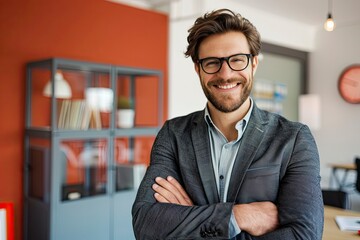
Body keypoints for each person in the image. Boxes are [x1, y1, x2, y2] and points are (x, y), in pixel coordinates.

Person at [132, 8, 323, 239]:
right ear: (198, 68)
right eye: (212, 62)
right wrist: (239, 216)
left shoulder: (294, 139)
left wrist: (192, 217)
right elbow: (146, 224)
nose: (225, 74)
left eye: (237, 60)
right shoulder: (173, 134)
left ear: (253, 64)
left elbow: (304, 235)